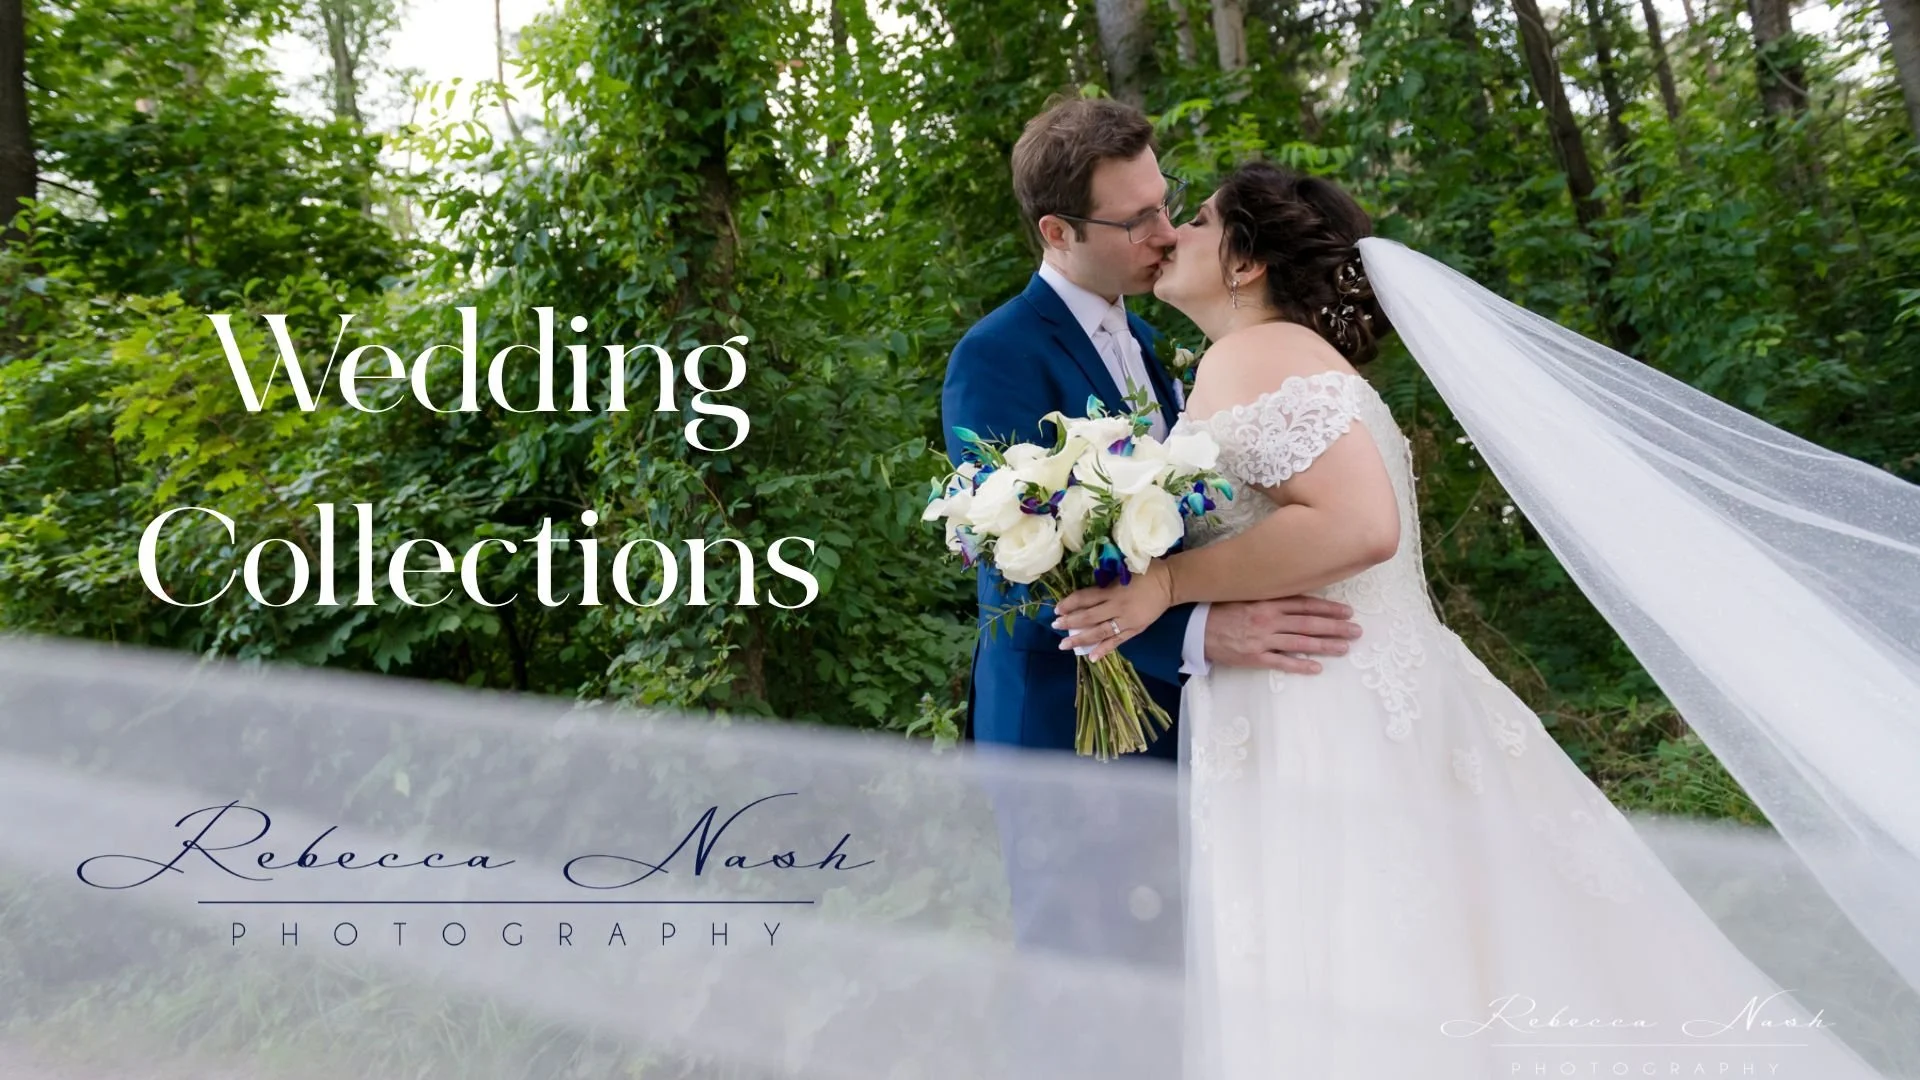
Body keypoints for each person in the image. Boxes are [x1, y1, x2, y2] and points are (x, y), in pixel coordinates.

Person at [1051, 161, 1917, 1077]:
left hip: (1328, 712)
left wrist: (1172, 585)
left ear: (1247, 264)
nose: (1173, 234)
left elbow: (1359, 527)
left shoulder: (1252, 356)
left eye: (1198, 220)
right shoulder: (1275, 357)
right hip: (1363, 689)